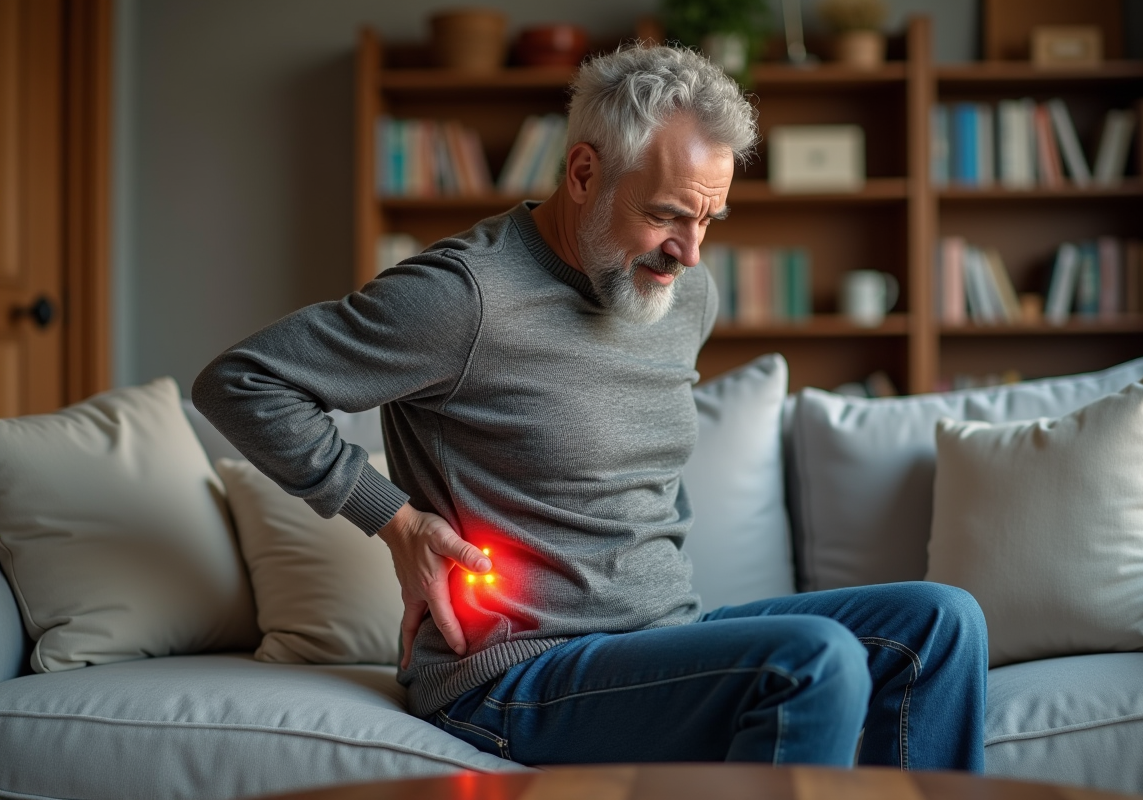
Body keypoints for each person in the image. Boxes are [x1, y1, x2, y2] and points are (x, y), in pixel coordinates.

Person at [193, 44, 986, 770]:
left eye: (709, 217)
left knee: (944, 625)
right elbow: (243, 383)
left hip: (660, 643)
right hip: (512, 673)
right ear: (582, 173)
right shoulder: (464, 298)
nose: (693, 249)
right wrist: (396, 522)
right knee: (814, 661)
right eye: (669, 214)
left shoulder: (683, 294)